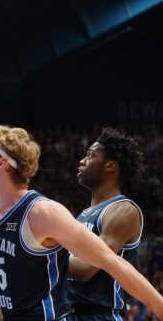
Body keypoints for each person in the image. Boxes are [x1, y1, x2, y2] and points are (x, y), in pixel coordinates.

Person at [0, 125, 163, 321]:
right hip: (73, 310)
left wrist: (35, 256)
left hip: (101, 314)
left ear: (2, 162)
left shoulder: (46, 213)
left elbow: (105, 262)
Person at [68, 128, 144, 320]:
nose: (82, 161)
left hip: (100, 315)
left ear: (110, 166)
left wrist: (39, 256)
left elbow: (85, 268)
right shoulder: (83, 215)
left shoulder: (124, 210)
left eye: (90, 156)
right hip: (70, 312)